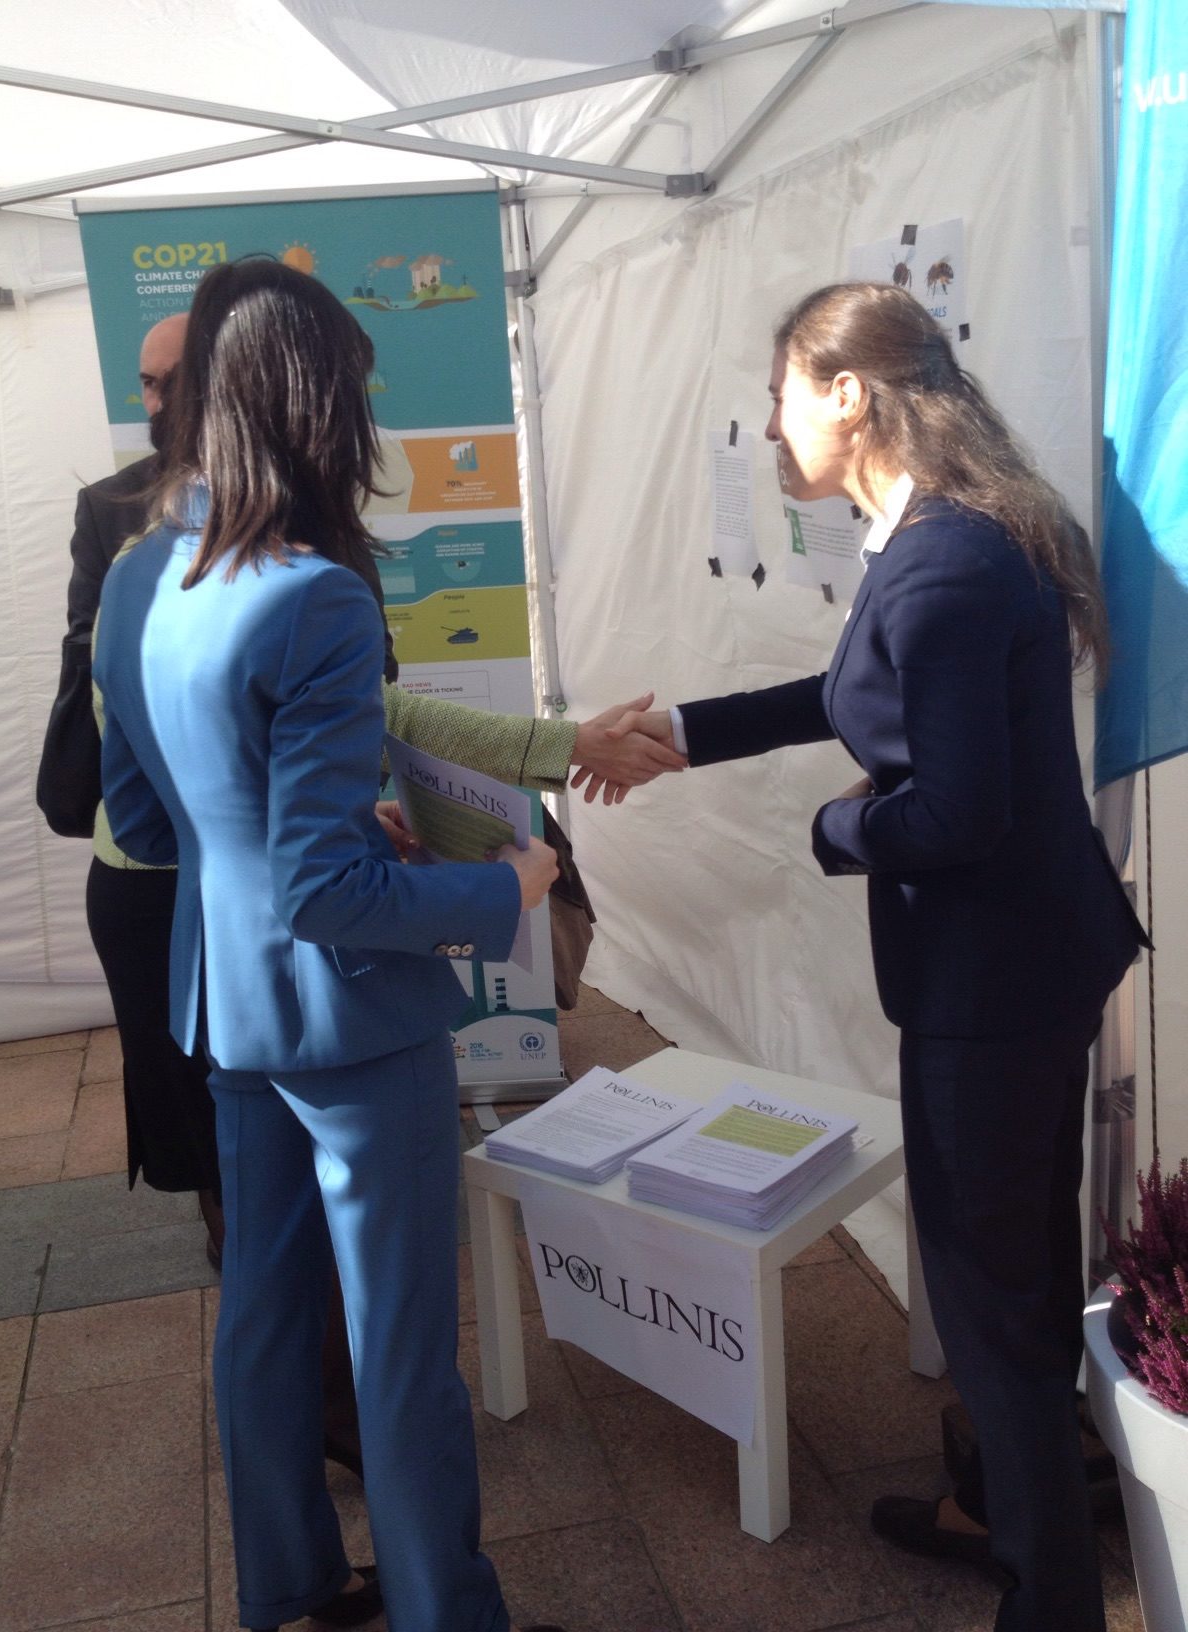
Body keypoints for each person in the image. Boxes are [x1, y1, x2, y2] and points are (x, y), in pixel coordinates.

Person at [605, 282, 1149, 1632]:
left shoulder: (951, 559)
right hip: (1018, 966)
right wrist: (681, 727)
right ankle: (1006, 1518)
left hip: (994, 982)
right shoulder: (938, 536)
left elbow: (953, 813)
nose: (771, 422)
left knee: (990, 1309)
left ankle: (1051, 1598)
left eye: (782, 392)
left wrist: (835, 829)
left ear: (850, 396)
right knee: (1006, 1280)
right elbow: (856, 689)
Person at [93, 256, 566, 1632]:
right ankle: (443, 1610)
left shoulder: (140, 582)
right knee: (403, 1349)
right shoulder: (318, 597)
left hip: (226, 1006)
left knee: (263, 1323)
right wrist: (509, 888)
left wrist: (316, 842)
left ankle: (288, 1588)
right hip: (354, 1029)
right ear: (317, 410)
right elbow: (322, 892)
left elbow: (146, 815)